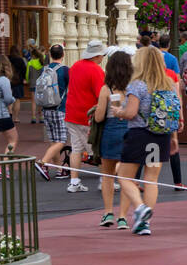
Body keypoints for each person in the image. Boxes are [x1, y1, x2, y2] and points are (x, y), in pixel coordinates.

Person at [118, 45, 178, 235]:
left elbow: (131, 113)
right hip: (160, 136)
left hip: (139, 135)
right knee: (151, 179)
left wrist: (119, 111)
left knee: (124, 177)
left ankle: (139, 207)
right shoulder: (168, 83)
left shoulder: (137, 85)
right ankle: (145, 222)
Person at [94, 50, 134, 227]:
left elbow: (99, 117)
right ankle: (123, 216)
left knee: (107, 175)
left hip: (110, 132)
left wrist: (96, 109)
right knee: (127, 177)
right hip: (129, 132)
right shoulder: (134, 88)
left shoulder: (106, 89)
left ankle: (108, 212)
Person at [64, 39, 107, 192]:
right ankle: (104, 181)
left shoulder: (75, 66)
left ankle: (74, 181)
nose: (103, 58)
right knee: (98, 149)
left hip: (71, 113)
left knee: (76, 148)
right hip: (87, 116)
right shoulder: (96, 70)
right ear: (97, 56)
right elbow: (100, 94)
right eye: (102, 55)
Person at [36, 45, 71, 180]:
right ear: (63, 55)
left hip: (46, 109)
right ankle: (43, 162)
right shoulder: (65, 70)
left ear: (50, 55)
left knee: (53, 141)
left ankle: (59, 170)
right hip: (60, 109)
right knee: (61, 141)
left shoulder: (45, 70)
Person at [25, 48, 46, 124]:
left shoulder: (30, 63)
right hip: (41, 84)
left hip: (33, 83)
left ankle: (33, 117)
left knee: (33, 101)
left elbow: (27, 74)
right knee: (40, 101)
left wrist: (27, 80)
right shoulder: (42, 62)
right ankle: (41, 117)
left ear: (33, 55)